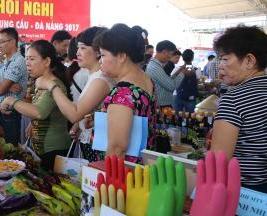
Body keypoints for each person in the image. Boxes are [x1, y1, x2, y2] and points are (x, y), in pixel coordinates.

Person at [35, 27, 116, 162]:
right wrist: (80, 124)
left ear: (97, 51)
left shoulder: (101, 79)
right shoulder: (94, 76)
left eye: (83, 48)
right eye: (78, 48)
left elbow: (74, 114)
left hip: (97, 146)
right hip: (91, 141)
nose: (77, 53)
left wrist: (52, 86)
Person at [211, 25, 267, 193]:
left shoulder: (233, 99)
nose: (220, 66)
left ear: (249, 60)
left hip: (242, 192)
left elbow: (218, 163)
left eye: (225, 58)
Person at [0, 40, 71, 170]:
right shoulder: (40, 81)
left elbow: (40, 112)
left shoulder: (55, 85)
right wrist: (32, 123)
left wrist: (11, 100)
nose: (27, 63)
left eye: (32, 59)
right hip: (40, 148)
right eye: (26, 59)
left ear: (47, 61)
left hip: (54, 150)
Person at [94, 24, 156, 163]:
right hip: (141, 170)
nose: (100, 61)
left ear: (121, 56)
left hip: (123, 174)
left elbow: (117, 149)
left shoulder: (123, 93)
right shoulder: (147, 80)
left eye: (103, 55)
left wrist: (109, 181)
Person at [0, 27, 27, 145]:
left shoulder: (18, 61)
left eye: (2, 42)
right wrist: (3, 87)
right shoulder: (4, 62)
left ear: (13, 42)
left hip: (10, 115)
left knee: (10, 152)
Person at [145, 40, 188, 108]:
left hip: (162, 105)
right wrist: (182, 73)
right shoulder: (155, 67)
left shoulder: (157, 65)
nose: (170, 57)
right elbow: (172, 86)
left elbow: (167, 81)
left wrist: (177, 74)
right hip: (161, 106)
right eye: (170, 54)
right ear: (164, 52)